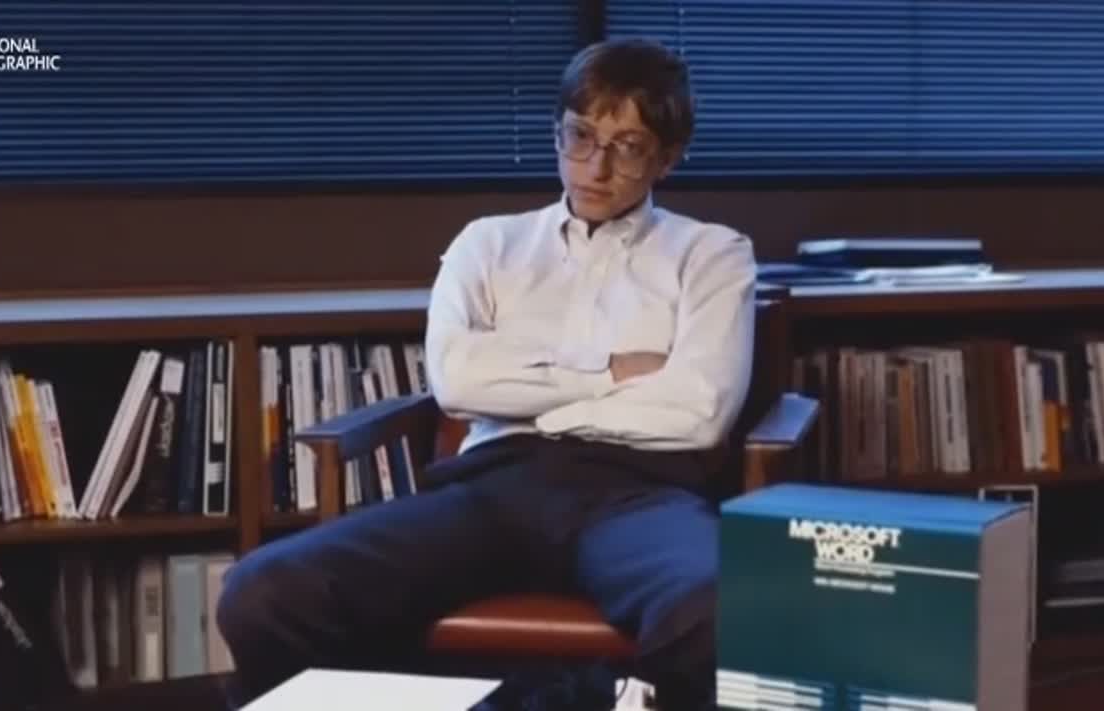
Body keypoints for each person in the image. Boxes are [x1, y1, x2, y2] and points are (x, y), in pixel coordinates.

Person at [216, 37, 756, 710]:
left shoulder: (713, 253)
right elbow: (457, 383)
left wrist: (528, 393)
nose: (595, 167)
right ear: (556, 132)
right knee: (264, 593)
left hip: (640, 493)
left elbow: (699, 412)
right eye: (580, 136)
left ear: (667, 158)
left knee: (724, 609)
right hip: (491, 488)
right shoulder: (488, 243)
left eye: (628, 147)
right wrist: (614, 373)